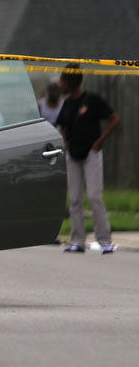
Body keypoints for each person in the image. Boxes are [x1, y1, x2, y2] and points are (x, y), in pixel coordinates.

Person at [55, 64, 121, 254]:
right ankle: (78, 240)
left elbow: (114, 119)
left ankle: (105, 240)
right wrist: (64, 141)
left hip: (91, 153)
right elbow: (63, 126)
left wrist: (100, 141)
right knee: (75, 198)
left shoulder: (93, 100)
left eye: (62, 80)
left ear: (71, 82)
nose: (60, 84)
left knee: (94, 197)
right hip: (73, 154)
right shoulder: (67, 104)